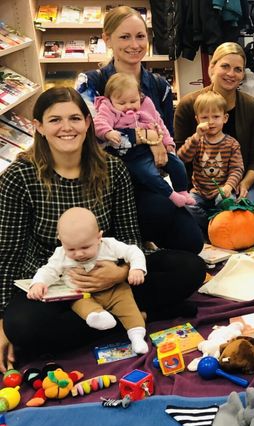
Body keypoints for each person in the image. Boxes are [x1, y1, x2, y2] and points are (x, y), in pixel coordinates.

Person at [0, 87, 205, 372]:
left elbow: (129, 234)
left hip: (110, 274)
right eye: (55, 120)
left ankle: (109, 319)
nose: (66, 128)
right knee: (22, 326)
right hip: (55, 285)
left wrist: (120, 272)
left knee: (190, 267)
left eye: (74, 118)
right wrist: (2, 321)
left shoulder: (112, 168)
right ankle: (134, 318)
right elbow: (8, 251)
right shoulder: (19, 176)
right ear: (39, 126)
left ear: (87, 122)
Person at [76, 5, 202, 253]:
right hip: (105, 184)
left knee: (193, 241)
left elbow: (168, 138)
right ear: (107, 39)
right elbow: (94, 140)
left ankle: (139, 242)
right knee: (161, 212)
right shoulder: (90, 82)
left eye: (140, 36)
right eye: (124, 36)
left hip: (149, 179)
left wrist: (161, 145)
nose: (134, 44)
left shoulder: (159, 85)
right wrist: (147, 138)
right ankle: (128, 244)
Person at [28, 208, 149, 354]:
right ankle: (98, 317)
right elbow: (48, 270)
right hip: (82, 295)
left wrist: (136, 269)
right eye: (71, 249)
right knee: (79, 304)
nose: (79, 254)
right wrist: (39, 283)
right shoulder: (60, 254)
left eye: (85, 247)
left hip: (115, 289)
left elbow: (133, 251)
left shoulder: (108, 245)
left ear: (99, 237)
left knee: (129, 308)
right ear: (60, 240)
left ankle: (137, 337)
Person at [174, 42, 254, 206]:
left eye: (238, 69)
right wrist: (193, 190)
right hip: (198, 186)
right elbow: (180, 158)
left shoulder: (253, 108)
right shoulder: (188, 105)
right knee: (186, 216)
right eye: (225, 66)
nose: (231, 74)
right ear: (212, 68)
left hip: (238, 181)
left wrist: (243, 183)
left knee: (248, 215)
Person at [94, 73, 193, 207]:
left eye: (133, 101)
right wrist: (108, 132)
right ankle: (171, 195)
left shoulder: (146, 105)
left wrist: (167, 141)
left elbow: (159, 124)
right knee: (149, 174)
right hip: (132, 155)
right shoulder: (109, 109)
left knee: (177, 163)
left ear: (139, 96)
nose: (128, 106)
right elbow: (99, 122)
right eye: (122, 103)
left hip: (152, 148)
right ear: (110, 100)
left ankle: (182, 191)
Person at [177, 92, 244, 234]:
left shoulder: (232, 144)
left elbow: (237, 169)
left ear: (225, 118)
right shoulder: (196, 140)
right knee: (185, 206)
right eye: (205, 118)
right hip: (199, 192)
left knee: (229, 205)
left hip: (221, 191)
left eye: (216, 116)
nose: (211, 121)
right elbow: (182, 158)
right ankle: (211, 224)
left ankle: (218, 223)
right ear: (197, 120)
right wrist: (196, 137)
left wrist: (229, 186)